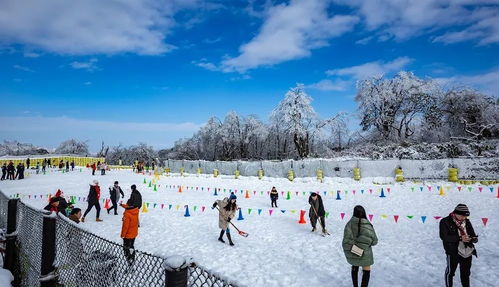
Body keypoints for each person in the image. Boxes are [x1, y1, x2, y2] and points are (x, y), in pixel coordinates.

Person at [440, 204, 478, 287]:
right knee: (450, 272)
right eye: (462, 215)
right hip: (453, 251)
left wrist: (473, 238)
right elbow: (444, 237)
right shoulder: (445, 221)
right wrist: (460, 238)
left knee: (465, 273)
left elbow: (472, 234)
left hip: (467, 251)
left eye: (466, 216)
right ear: (456, 213)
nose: (464, 218)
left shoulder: (467, 221)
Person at [342, 205, 378, 287]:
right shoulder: (368, 225)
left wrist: (353, 248)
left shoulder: (349, 224)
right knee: (366, 270)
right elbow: (375, 241)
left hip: (353, 251)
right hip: (366, 253)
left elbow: (346, 241)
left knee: (355, 266)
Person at [120, 198, 140, 265]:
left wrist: (122, 235)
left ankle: (128, 259)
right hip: (134, 233)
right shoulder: (135, 210)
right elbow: (127, 206)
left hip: (127, 235)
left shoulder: (127, 214)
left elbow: (125, 226)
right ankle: (132, 257)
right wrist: (122, 205)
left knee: (126, 247)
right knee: (131, 245)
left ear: (128, 204)